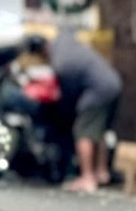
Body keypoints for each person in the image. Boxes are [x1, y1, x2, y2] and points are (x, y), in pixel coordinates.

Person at [49, 25, 122, 193]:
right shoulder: (72, 45)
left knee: (83, 131)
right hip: (112, 83)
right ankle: (101, 172)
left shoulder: (60, 60)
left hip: (97, 90)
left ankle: (87, 177)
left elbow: (67, 94)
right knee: (98, 128)